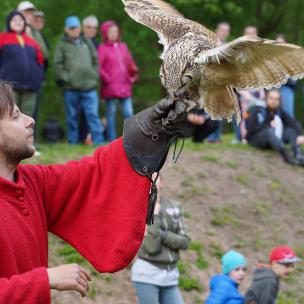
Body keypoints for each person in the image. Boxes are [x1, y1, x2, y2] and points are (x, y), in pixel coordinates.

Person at [0, 81, 188, 302]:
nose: (30, 120)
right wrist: (45, 279)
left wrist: (145, 134)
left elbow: (89, 175)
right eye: (15, 117)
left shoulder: (32, 182)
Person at [131, 176, 191, 304]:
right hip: (147, 275)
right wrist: (155, 215)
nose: (150, 181)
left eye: (155, 177)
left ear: (162, 182)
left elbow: (185, 241)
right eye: (147, 178)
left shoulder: (174, 207)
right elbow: (152, 247)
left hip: (170, 276)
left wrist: (162, 235)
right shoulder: (138, 209)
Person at [54, 16, 105, 145]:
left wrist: (94, 74)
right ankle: (73, 142)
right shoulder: (62, 45)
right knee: (72, 117)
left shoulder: (86, 41)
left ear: (79, 28)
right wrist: (67, 78)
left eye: (76, 27)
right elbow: (58, 65)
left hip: (89, 86)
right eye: (71, 28)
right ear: (66, 29)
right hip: (71, 88)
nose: (74, 30)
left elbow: (95, 59)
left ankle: (98, 141)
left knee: (92, 115)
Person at [98, 20, 139, 142]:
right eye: (111, 31)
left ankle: (130, 139)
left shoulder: (123, 46)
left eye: (116, 31)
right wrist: (107, 79)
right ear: (105, 33)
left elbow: (130, 63)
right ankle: (112, 140)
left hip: (125, 85)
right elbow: (98, 67)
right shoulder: (102, 48)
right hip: (110, 86)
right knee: (111, 114)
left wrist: (133, 75)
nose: (114, 34)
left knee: (129, 113)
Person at [0, 11, 44, 117]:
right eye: (14, 19)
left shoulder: (32, 42)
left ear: (24, 23)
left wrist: (38, 79)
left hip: (30, 88)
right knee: (9, 117)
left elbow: (41, 61)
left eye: (20, 20)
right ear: (9, 22)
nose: (18, 22)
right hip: (9, 88)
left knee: (28, 119)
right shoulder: (2, 38)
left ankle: (29, 135)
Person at [245, 89, 304, 166]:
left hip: (273, 139)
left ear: (279, 101)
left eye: (276, 99)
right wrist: (268, 124)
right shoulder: (258, 109)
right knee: (268, 131)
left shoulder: (279, 111)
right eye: (271, 98)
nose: (274, 101)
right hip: (256, 140)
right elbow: (250, 129)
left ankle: (298, 154)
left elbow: (293, 123)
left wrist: (300, 134)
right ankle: (287, 157)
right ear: (266, 98)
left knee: (290, 131)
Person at [207, 21, 231, 143]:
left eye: (227, 31)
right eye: (222, 30)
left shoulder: (228, 47)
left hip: (223, 82)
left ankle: (216, 137)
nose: (224, 33)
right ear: (217, 30)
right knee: (211, 108)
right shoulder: (210, 44)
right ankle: (209, 135)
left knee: (221, 110)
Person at [275, 34, 297, 118]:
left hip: (287, 87)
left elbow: (295, 76)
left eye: (281, 42)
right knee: (275, 115)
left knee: (288, 114)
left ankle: (291, 131)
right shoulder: (271, 56)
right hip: (274, 89)